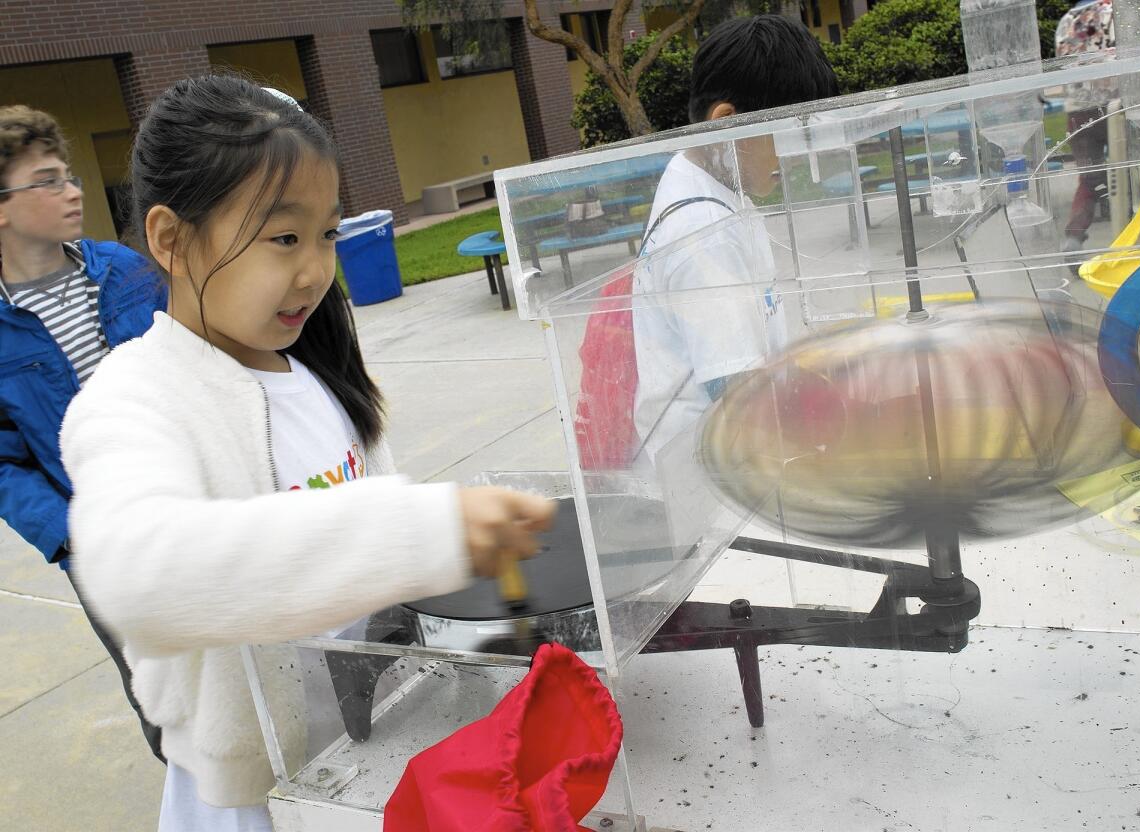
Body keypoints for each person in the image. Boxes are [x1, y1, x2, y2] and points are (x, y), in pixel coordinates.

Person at [59, 76, 556, 830]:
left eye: (327, 234)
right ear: (169, 238)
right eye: (284, 238)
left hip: (376, 745)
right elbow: (135, 572)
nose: (314, 270)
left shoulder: (317, 373)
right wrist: (422, 531)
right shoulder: (135, 399)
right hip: (257, 793)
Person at [0, 105, 166, 760]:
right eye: (48, 180)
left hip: (192, 504)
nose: (72, 191)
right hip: (101, 547)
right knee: (161, 693)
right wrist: (70, 536)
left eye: (68, 176)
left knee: (256, 653)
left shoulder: (125, 270)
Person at [631, 14, 840, 463]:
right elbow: (739, 400)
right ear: (727, 123)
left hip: (727, 460)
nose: (796, 155)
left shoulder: (715, 187)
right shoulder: (702, 232)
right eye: (788, 133)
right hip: (710, 476)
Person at [1055, 0, 1116, 255]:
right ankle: (1134, 229)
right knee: (1134, 167)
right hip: (1114, 104)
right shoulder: (1112, 13)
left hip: (1078, 111)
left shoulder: (1066, 22)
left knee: (1089, 178)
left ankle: (1074, 236)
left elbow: (1062, 64)